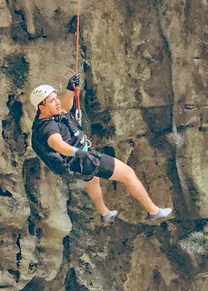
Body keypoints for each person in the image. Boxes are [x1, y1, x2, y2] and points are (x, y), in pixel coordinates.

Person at [30, 75, 172, 224]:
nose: (57, 102)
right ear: (42, 107)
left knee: (92, 179)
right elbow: (57, 144)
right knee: (128, 174)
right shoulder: (48, 127)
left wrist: (70, 90)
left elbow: (65, 108)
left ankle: (105, 212)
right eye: (52, 101)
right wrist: (78, 152)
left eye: (56, 98)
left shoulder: (48, 116)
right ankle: (153, 211)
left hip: (75, 162)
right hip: (82, 159)